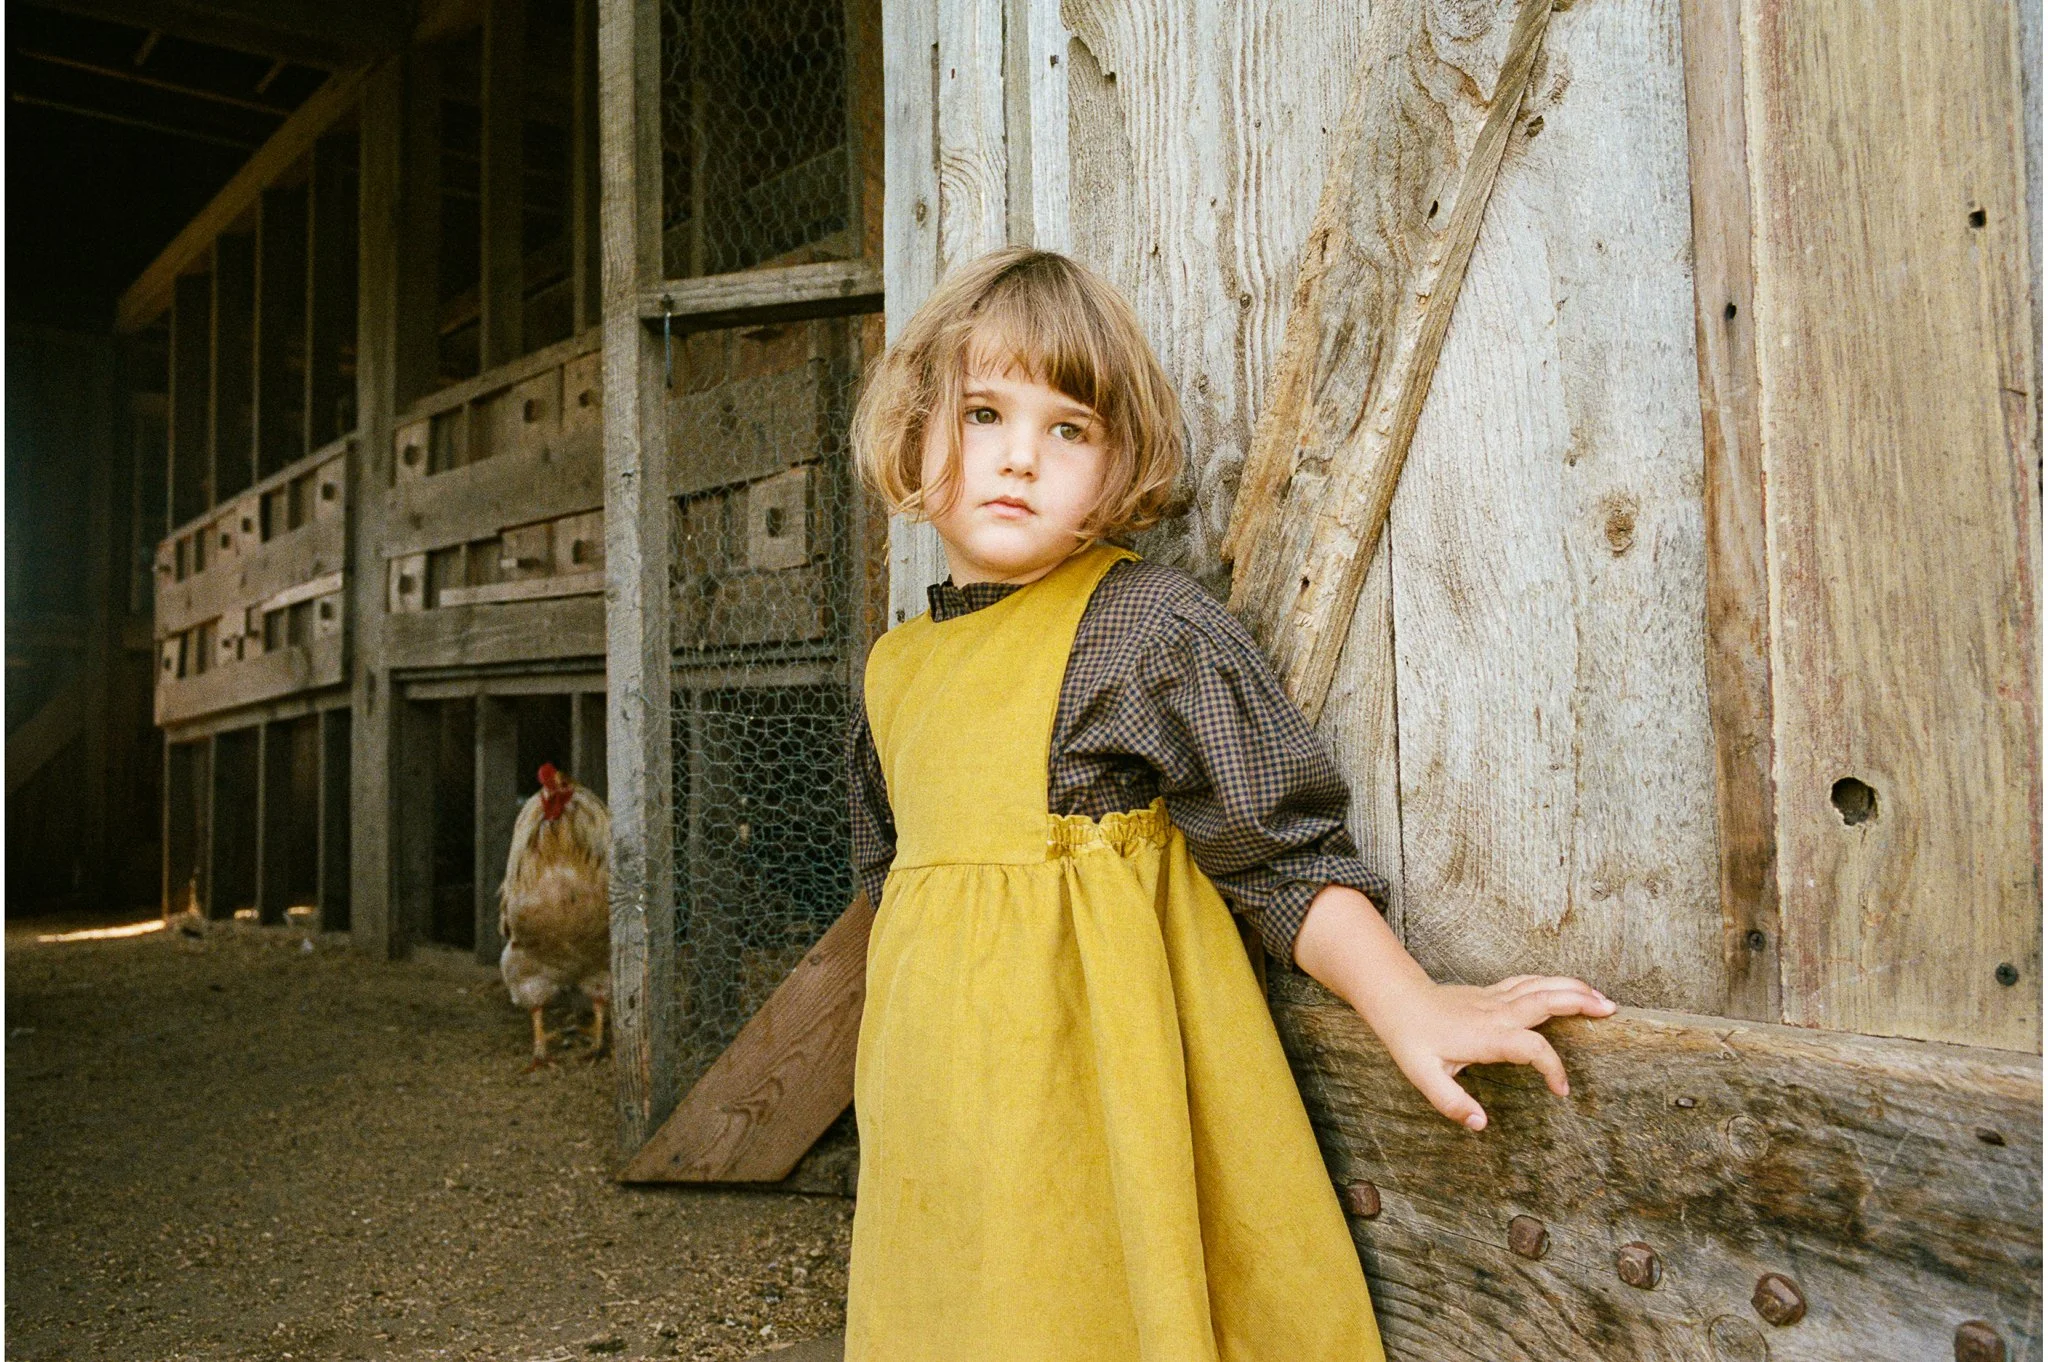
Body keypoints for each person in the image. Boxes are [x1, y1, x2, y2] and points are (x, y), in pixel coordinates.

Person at [842, 245, 1616, 1360]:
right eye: (980, 415)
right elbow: (896, 893)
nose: (1019, 459)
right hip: (938, 1095)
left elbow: (1279, 856)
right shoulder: (893, 668)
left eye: (1068, 429)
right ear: (915, 430)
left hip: (1099, 1094)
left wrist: (1412, 1004)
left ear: (1115, 470)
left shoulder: (1142, 629)